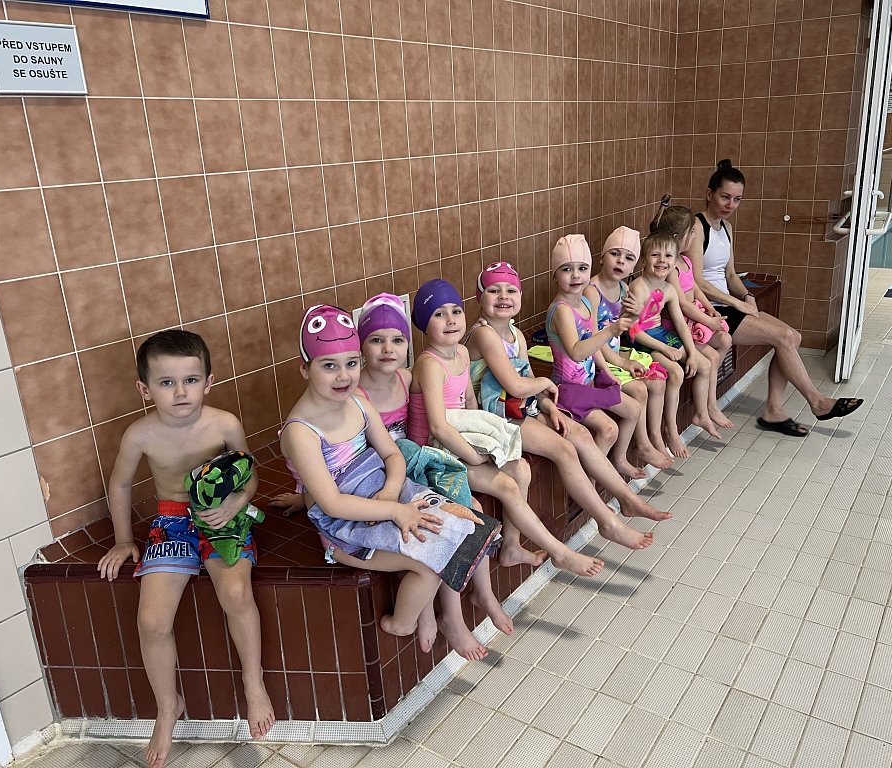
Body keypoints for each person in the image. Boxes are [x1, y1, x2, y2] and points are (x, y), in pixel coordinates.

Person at [279, 305, 502, 659]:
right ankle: (402, 623)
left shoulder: (358, 404)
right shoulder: (301, 431)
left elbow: (392, 455)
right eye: (329, 365)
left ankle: (457, 608)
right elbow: (332, 503)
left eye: (351, 363)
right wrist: (394, 511)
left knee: (462, 523)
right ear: (305, 368)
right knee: (429, 565)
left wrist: (390, 492)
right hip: (344, 527)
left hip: (384, 493)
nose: (343, 376)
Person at [96, 329, 275, 768]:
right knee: (152, 620)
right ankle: (167, 706)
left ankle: (253, 683)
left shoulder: (224, 423)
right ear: (145, 389)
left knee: (236, 593)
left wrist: (236, 502)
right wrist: (124, 539)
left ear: (208, 382)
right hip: (172, 522)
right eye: (166, 382)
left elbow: (249, 473)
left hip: (222, 517)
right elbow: (120, 484)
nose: (181, 392)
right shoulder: (140, 434)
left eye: (191, 380)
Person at [407, 278, 605, 578]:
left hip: (459, 441)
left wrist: (486, 440)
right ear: (424, 324)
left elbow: (470, 404)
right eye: (438, 314)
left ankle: (511, 546)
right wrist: (475, 455)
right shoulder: (429, 364)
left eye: (455, 311)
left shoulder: (461, 354)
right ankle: (560, 553)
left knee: (521, 468)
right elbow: (438, 426)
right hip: (434, 454)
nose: (450, 320)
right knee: (507, 485)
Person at [466, 261, 669, 547]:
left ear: (520, 296)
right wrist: (545, 385)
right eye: (493, 290)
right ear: (480, 297)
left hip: (516, 407)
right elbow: (516, 385)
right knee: (564, 449)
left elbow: (527, 382)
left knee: (580, 434)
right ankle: (608, 522)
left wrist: (549, 407)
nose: (503, 297)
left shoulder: (516, 335)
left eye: (510, 290)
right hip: (492, 416)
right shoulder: (483, 334)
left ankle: (627, 499)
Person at [691, 159, 863, 435]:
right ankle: (818, 402)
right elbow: (697, 281)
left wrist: (747, 295)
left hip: (730, 305)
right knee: (783, 338)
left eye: (737, 199)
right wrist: (736, 303)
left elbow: (730, 274)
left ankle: (774, 410)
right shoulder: (696, 227)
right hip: (709, 310)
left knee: (793, 337)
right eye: (725, 197)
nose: (730, 204)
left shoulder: (726, 228)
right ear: (709, 194)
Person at [585, 226, 676, 467]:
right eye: (615, 254)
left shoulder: (624, 289)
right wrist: (621, 363)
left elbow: (627, 327)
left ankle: (653, 438)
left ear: (634, 265)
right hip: (598, 358)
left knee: (657, 381)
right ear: (602, 257)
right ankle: (636, 448)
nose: (620, 261)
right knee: (639, 390)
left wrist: (635, 314)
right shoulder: (592, 291)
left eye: (628, 258)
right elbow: (592, 338)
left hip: (615, 352)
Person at [649, 204, 736, 433]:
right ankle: (703, 412)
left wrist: (710, 309)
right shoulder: (671, 269)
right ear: (679, 237)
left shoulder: (685, 261)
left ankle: (710, 405)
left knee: (725, 341)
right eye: (692, 233)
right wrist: (708, 322)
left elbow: (695, 289)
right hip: (678, 327)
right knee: (710, 359)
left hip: (692, 320)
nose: (695, 237)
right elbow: (683, 304)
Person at [628, 232, 723, 440]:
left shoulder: (669, 289)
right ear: (643, 261)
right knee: (677, 373)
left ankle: (701, 414)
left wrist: (691, 353)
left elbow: (680, 324)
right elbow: (632, 330)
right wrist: (664, 348)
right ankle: (670, 429)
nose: (662, 260)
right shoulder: (638, 288)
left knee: (704, 365)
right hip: (641, 340)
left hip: (660, 334)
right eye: (655, 255)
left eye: (668, 256)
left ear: (674, 262)